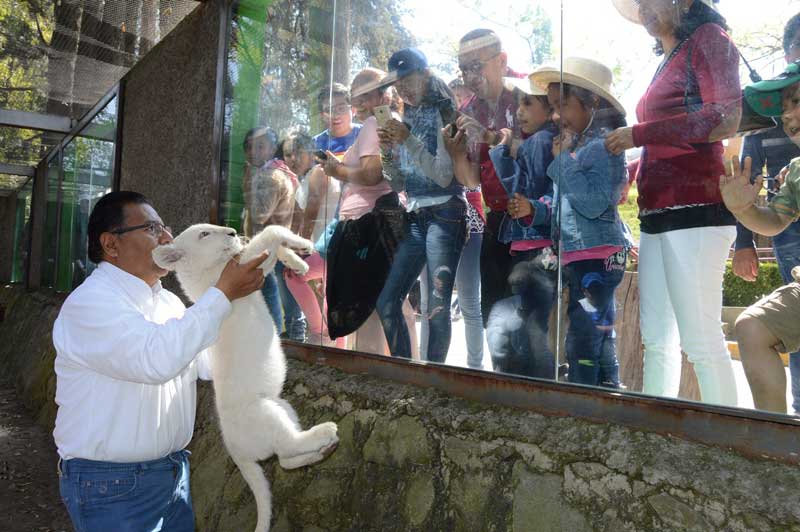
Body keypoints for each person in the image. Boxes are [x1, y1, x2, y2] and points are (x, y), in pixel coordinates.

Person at [53, 191, 267, 531]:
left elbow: (208, 364)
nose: (168, 237)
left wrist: (242, 306)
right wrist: (222, 293)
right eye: (152, 228)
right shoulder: (90, 304)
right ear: (111, 244)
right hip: (112, 485)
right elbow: (156, 360)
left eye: (165, 227)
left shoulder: (168, 302)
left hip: (171, 475)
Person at [606, 0, 741, 405]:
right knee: (656, 338)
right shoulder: (669, 58)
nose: (644, 8)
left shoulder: (709, 38)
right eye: (639, 4)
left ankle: (727, 442)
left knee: (700, 341)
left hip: (697, 207)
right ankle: (653, 428)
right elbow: (658, 140)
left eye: (650, 0)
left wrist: (640, 133)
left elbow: (726, 116)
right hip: (655, 212)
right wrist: (627, 168)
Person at [531, 58, 629, 388]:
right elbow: (566, 207)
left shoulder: (604, 148)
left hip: (598, 256)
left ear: (593, 102)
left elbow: (592, 203)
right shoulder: (577, 147)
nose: (557, 116)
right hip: (582, 256)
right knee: (598, 332)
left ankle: (583, 400)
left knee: (583, 338)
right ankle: (608, 391)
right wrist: (535, 211)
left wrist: (562, 161)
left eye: (564, 106)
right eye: (553, 107)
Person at [720, 60, 800, 413]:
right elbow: (774, 222)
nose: (788, 115)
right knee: (751, 328)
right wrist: (743, 210)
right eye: (784, 108)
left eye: (796, 101)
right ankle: (777, 445)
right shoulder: (796, 171)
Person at [376, 48, 466, 362]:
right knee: (387, 301)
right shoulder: (405, 116)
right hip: (415, 215)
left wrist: (408, 139)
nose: (402, 88)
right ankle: (406, 372)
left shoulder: (443, 111)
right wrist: (387, 151)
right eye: (397, 84)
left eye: (408, 79)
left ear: (425, 74)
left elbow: (444, 177)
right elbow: (397, 183)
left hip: (446, 213)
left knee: (438, 308)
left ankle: (435, 382)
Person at [487, 76, 558, 376]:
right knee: (529, 323)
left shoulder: (539, 141)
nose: (520, 111)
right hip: (532, 246)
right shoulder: (537, 142)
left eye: (528, 103)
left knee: (527, 325)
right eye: (519, 104)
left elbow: (524, 188)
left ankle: (535, 387)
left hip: (534, 247)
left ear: (549, 109)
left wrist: (502, 153)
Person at [456, 29, 524, 328]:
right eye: (463, 69)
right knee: (494, 319)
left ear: (502, 60)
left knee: (528, 321)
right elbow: (470, 180)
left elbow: (542, 155)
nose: (470, 76)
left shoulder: (528, 92)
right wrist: (455, 150)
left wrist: (492, 137)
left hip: (533, 218)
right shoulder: (468, 109)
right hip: (495, 219)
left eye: (476, 66)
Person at [242, 126, 298, 331]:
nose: (253, 152)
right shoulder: (275, 171)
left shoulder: (270, 175)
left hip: (268, 249)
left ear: (272, 148)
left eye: (260, 146)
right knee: (273, 296)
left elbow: (259, 214)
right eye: (249, 147)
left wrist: (249, 183)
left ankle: (275, 342)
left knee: (270, 293)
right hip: (273, 246)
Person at [314, 83, 361, 156]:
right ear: (322, 115)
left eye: (341, 108)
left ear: (353, 110)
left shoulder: (368, 133)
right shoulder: (315, 144)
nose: (336, 116)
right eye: (329, 110)